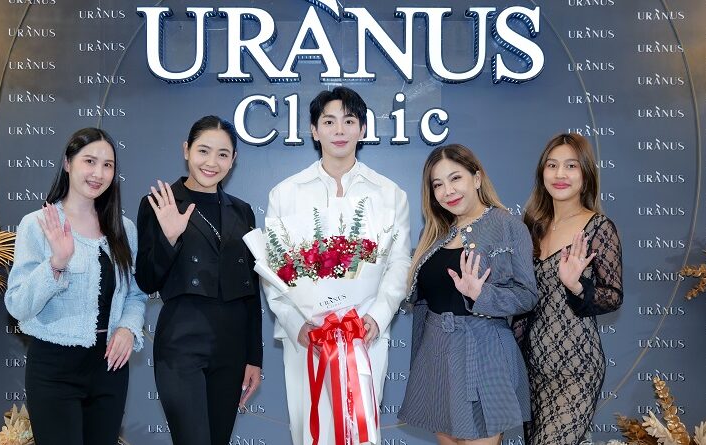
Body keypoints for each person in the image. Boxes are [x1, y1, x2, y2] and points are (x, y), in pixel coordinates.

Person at [264, 86, 411, 444]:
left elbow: (399, 263)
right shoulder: (285, 193)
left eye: (349, 121)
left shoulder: (390, 194)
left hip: (365, 335)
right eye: (329, 122)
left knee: (359, 429)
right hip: (308, 338)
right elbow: (274, 270)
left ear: (363, 129)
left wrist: (377, 316)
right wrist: (297, 323)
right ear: (314, 131)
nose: (339, 130)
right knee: (309, 428)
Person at [5, 128, 146, 445]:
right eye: (89, 161)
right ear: (68, 163)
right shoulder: (37, 224)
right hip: (54, 367)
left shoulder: (124, 229)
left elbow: (136, 294)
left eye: (107, 165)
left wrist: (127, 328)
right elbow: (17, 305)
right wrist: (56, 263)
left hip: (109, 367)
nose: (98, 173)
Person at [135, 115, 262, 445]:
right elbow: (146, 280)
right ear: (186, 150)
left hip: (231, 351)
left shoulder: (243, 212)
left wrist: (254, 357)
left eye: (223, 154)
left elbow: (251, 290)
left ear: (233, 160)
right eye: (203, 151)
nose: (211, 162)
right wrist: (169, 238)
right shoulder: (160, 204)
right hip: (181, 346)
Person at [398, 144, 537, 445]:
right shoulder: (432, 233)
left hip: (485, 352)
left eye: (455, 178)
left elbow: (527, 296)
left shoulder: (508, 227)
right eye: (438, 184)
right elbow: (423, 305)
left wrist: (481, 294)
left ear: (476, 178)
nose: (448, 191)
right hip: (437, 353)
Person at [514, 133, 623, 444]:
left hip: (576, 366)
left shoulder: (598, 227)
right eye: (552, 165)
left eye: (571, 166)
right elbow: (523, 303)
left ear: (585, 174)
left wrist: (577, 285)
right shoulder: (530, 227)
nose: (560, 174)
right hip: (533, 369)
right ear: (542, 173)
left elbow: (613, 296)